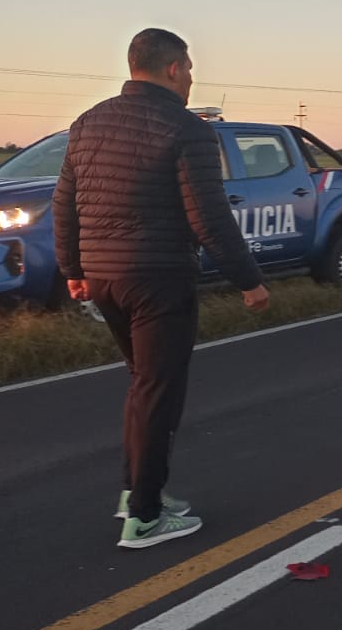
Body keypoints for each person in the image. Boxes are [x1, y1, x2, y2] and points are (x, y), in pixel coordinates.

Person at [53, 28, 270, 549]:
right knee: (158, 390)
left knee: (143, 385)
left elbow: (65, 202)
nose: (192, 79)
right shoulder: (188, 129)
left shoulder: (89, 122)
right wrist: (249, 281)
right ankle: (145, 518)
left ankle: (137, 494)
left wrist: (73, 269)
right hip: (158, 279)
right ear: (173, 69)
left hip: (105, 279)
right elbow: (210, 219)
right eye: (190, 69)